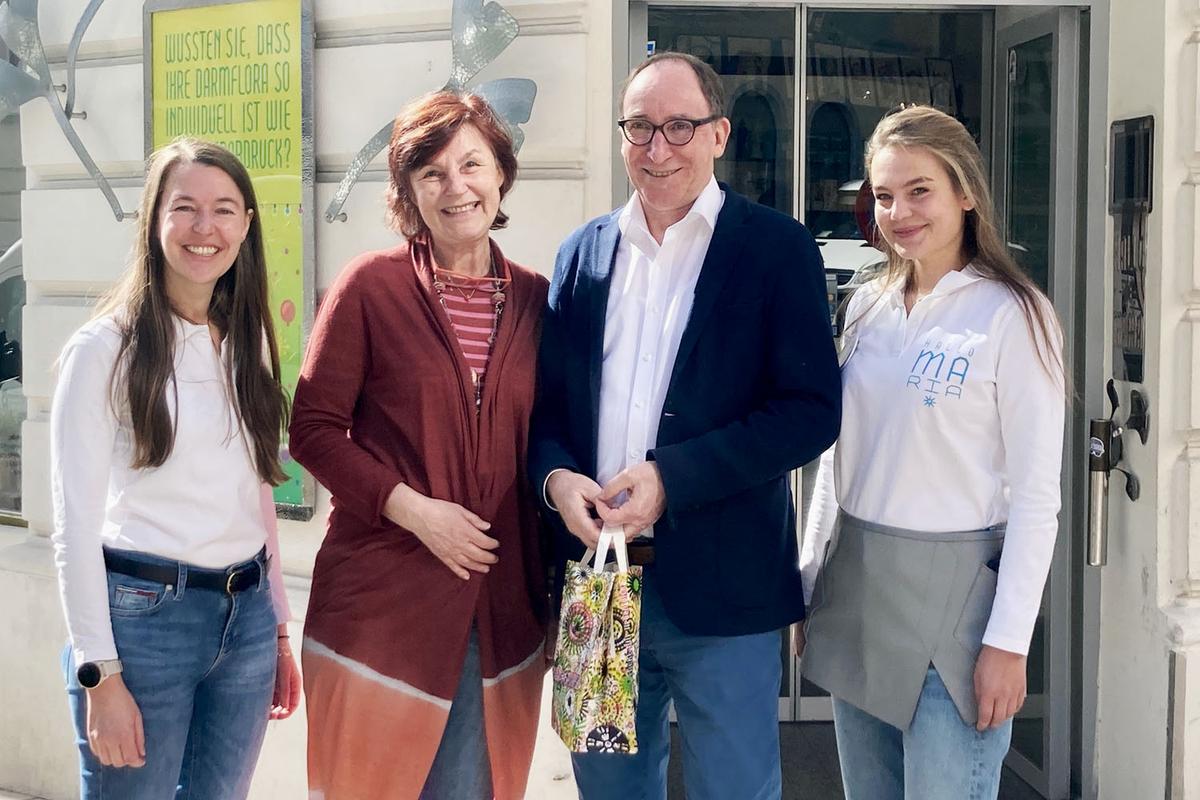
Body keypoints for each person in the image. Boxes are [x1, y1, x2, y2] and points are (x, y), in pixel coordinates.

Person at [529, 52, 841, 799]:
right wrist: (555, 479)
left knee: (733, 788)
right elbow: (546, 410)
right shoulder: (584, 252)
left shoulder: (776, 248)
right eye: (639, 127)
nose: (657, 147)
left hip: (726, 593)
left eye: (678, 126)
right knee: (607, 789)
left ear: (719, 134)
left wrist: (674, 478)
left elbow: (810, 413)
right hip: (597, 583)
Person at [798, 105, 1067, 800]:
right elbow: (839, 460)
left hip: (956, 617)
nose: (898, 212)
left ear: (965, 192)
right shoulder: (866, 307)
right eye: (883, 196)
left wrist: (1010, 642)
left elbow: (1038, 498)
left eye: (920, 190)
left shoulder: (1015, 314)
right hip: (859, 594)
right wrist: (805, 583)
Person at [289, 90, 549, 800]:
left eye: (472, 163)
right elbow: (311, 429)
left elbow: (553, 442)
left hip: (496, 609)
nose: (455, 186)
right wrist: (411, 509)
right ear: (407, 190)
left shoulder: (536, 300)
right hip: (381, 606)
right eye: (431, 172)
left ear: (501, 174)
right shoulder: (370, 287)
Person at [51, 137, 300, 800]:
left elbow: (255, 501)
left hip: (243, 620)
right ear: (153, 218)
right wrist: (99, 674)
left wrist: (276, 631)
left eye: (223, 210)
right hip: (142, 626)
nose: (203, 228)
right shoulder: (105, 349)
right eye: (184, 207)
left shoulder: (244, 341)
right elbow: (72, 526)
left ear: (246, 224)